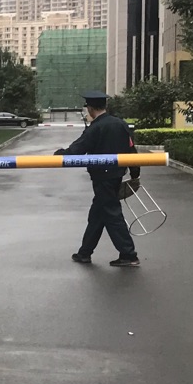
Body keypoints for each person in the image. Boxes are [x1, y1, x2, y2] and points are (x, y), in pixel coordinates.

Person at [56, 91, 140, 267]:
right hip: (117, 175)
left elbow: (79, 148)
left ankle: (129, 254)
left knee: (112, 214)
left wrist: (61, 154)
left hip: (103, 178)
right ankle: (84, 253)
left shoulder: (95, 127)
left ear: (91, 108)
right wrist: (135, 174)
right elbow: (131, 150)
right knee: (97, 215)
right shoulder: (121, 124)